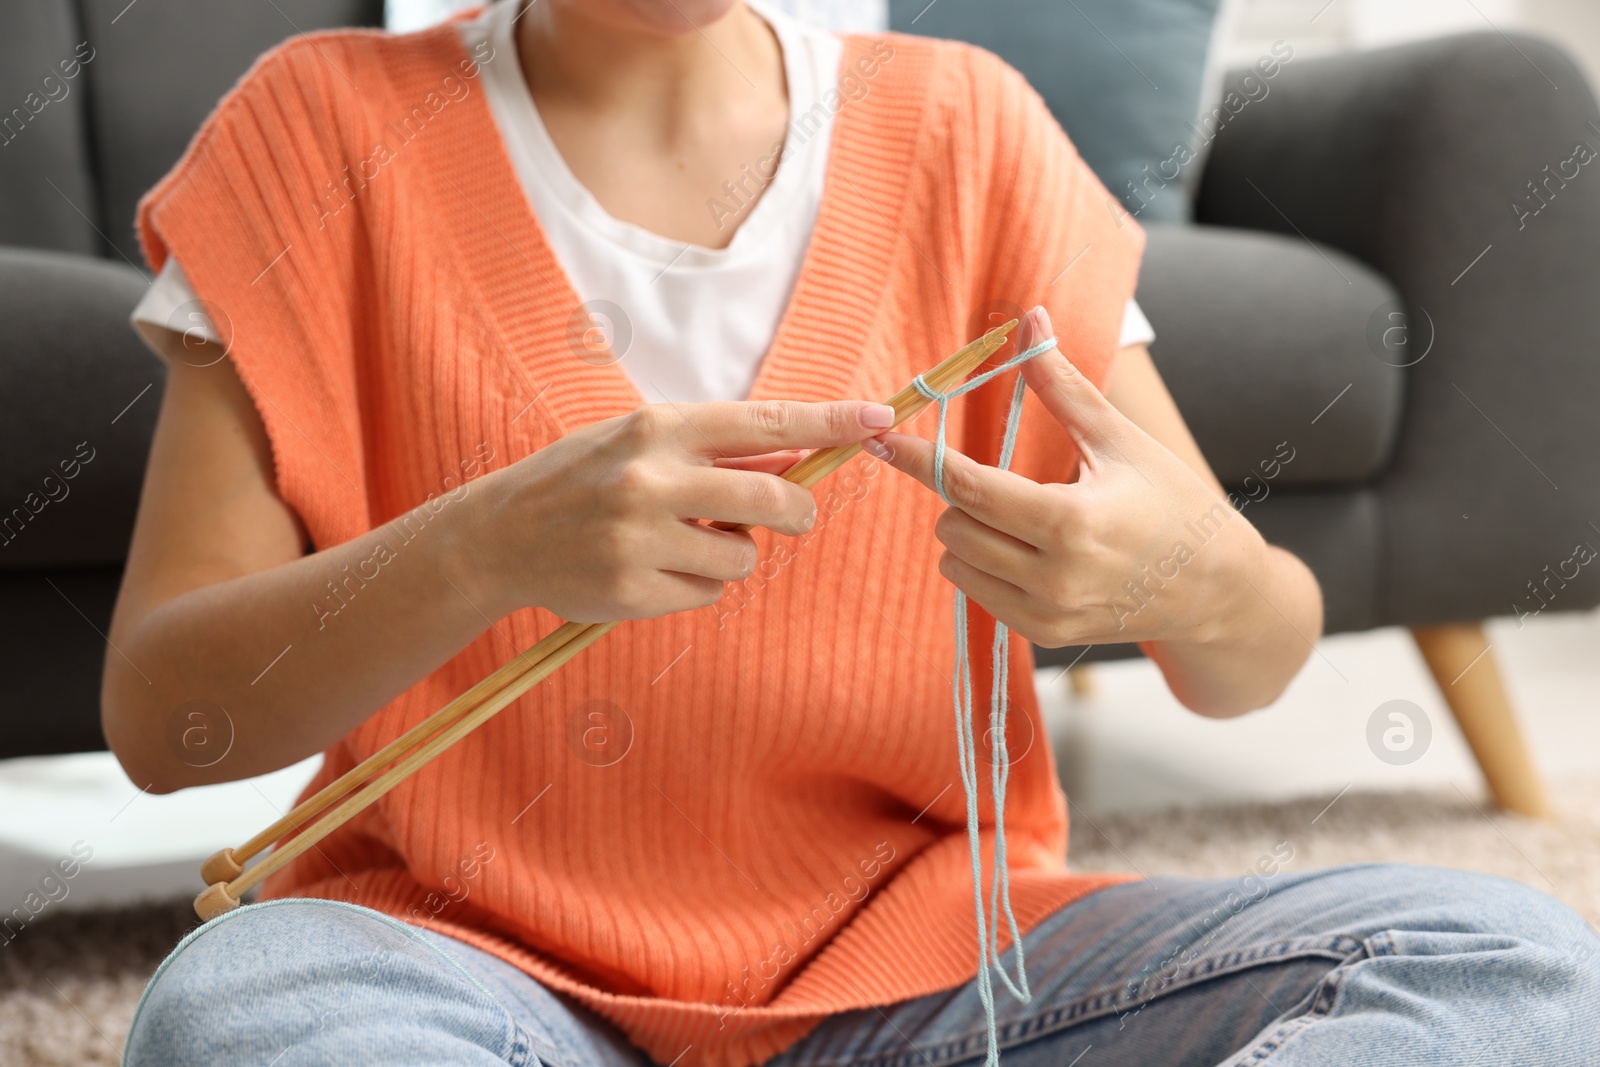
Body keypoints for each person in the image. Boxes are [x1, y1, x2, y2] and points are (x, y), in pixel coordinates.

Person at [108, 1, 1599, 1064]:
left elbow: (1248, 653)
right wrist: (479, 548)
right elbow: (166, 725)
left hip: (949, 981)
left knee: (1512, 967)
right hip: (466, 977)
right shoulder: (312, 130)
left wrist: (1180, 582)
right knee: (245, 1012)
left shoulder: (967, 124)